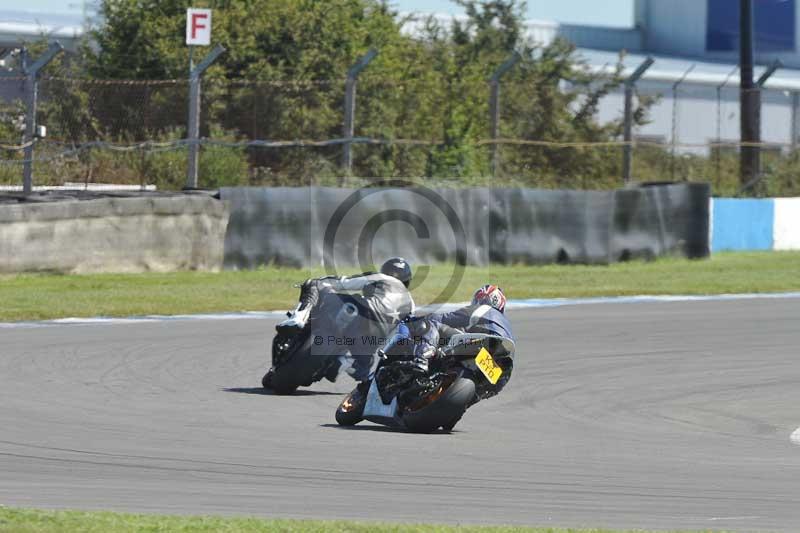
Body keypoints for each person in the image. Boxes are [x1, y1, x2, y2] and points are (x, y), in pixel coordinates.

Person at [277, 257, 415, 381]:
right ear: (408, 280)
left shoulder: (380, 277)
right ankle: (344, 363)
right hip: (374, 339)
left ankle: (298, 318)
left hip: (363, 313)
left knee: (314, 284)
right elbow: (405, 333)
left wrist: (321, 282)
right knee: (363, 370)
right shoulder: (411, 304)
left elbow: (344, 283)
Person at [403, 284, 514, 402]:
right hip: (501, 372)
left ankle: (421, 361)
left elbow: (443, 318)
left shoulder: (484, 309)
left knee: (431, 325)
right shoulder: (506, 326)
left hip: (480, 345)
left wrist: (416, 320)